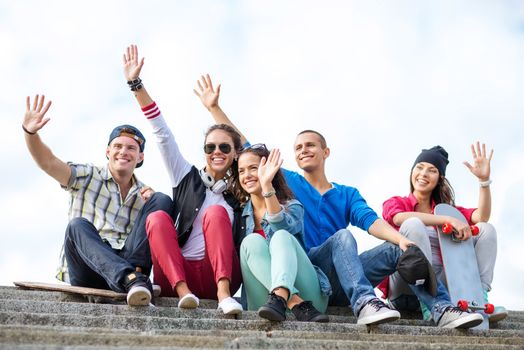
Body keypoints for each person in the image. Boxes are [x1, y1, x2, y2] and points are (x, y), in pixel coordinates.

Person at [193, 74, 485, 328]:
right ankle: (366, 303)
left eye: (310, 145)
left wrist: (402, 242)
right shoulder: (292, 183)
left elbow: (371, 221)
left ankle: (442, 308)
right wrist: (214, 108)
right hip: (306, 269)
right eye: (297, 148)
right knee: (341, 237)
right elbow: (249, 151)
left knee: (401, 249)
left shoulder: (347, 193)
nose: (303, 150)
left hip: (342, 273)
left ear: (326, 152)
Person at [123, 45, 243, 315]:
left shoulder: (241, 192)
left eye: (225, 148)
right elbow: (162, 133)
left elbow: (253, 151)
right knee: (156, 218)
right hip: (178, 274)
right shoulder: (186, 176)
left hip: (218, 276)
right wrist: (136, 84)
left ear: (235, 154)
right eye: (210, 147)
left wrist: (215, 109)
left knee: (214, 213)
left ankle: (223, 295)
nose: (217, 153)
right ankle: (183, 293)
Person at [22, 94, 173, 306]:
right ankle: (131, 279)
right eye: (118, 146)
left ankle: (134, 277)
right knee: (77, 226)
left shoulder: (144, 194)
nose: (124, 152)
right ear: (108, 151)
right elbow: (48, 162)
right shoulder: (87, 176)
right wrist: (30, 133)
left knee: (162, 201)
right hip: (88, 268)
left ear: (140, 157)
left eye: (131, 148)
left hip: (127, 260)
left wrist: (151, 205)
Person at [382, 144, 507, 322]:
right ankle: (431, 305)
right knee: (414, 224)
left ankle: (478, 297)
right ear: (412, 173)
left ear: (439, 178)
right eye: (419, 167)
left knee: (486, 229)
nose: (424, 173)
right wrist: (446, 221)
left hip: (444, 288)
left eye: (431, 170)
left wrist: (484, 182)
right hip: (406, 288)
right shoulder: (396, 202)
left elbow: (482, 216)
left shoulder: (447, 211)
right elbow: (398, 218)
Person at [233, 144, 330, 322]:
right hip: (265, 302)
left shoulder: (293, 206)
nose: (246, 175)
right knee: (251, 241)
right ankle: (292, 301)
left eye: (253, 168)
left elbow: (281, 229)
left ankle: (283, 296)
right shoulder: (238, 216)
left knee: (281, 236)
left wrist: (266, 185)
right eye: (241, 171)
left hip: (310, 297)